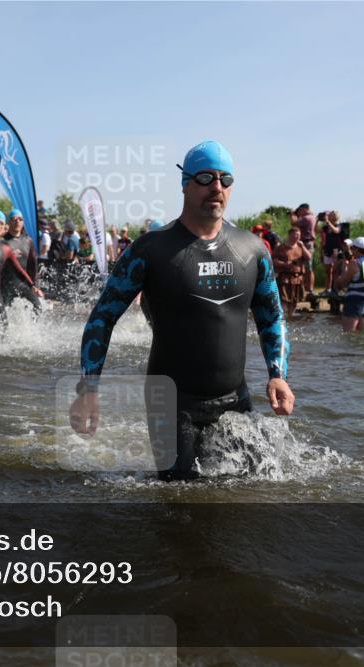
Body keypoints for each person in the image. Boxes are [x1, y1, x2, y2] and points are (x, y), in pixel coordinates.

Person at [69, 140, 294, 482]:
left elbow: (271, 316)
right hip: (172, 403)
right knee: (179, 501)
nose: (217, 187)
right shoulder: (151, 249)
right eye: (205, 177)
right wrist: (88, 389)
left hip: (236, 398)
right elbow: (103, 317)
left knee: (258, 488)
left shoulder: (252, 249)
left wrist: (277, 374)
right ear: (185, 184)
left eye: (225, 179)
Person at [336, 236, 364, 332]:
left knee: (348, 335)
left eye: (352, 248)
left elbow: (343, 283)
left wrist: (343, 269)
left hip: (355, 301)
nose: (351, 250)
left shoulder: (354, 263)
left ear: (356, 249)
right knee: (362, 335)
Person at [1, 208, 42, 313]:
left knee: (38, 307)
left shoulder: (28, 240)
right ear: (9, 222)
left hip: (22, 285)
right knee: (3, 314)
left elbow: (33, 265)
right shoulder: (2, 241)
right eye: (14, 219)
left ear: (23, 222)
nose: (17, 221)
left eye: (20, 219)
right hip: (5, 285)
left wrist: (35, 285)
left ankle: (30, 329)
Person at [272, 226, 311, 316]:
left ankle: (291, 319)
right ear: (290, 235)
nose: (297, 237)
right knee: (284, 301)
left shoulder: (301, 247)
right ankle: (283, 319)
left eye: (299, 235)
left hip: (297, 278)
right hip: (284, 278)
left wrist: (303, 246)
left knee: (294, 302)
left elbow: (308, 257)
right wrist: (286, 264)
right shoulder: (281, 247)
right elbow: (274, 261)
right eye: (295, 235)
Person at [290, 203, 317, 296]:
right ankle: (308, 289)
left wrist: (292, 214)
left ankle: (309, 289)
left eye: (300, 210)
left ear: (304, 209)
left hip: (306, 243)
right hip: (308, 242)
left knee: (307, 267)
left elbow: (294, 224)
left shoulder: (306, 218)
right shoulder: (313, 217)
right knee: (306, 267)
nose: (299, 213)